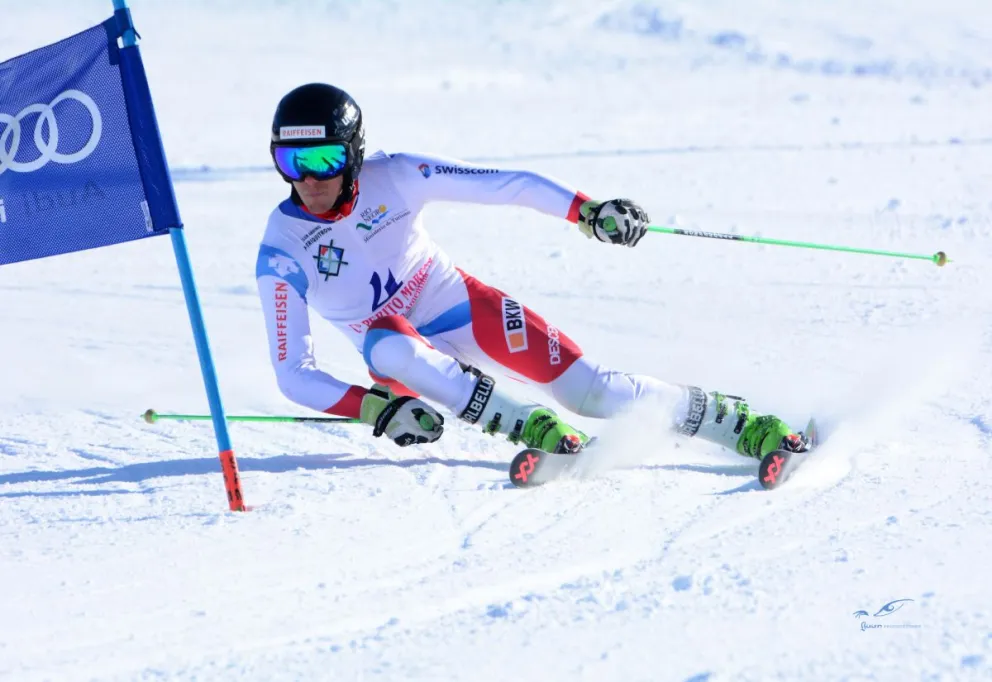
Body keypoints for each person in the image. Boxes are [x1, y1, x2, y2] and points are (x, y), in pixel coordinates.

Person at [255, 82, 808, 461]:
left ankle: (737, 423)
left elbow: (510, 185)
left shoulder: (397, 176)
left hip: (459, 306)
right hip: (401, 366)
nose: (308, 179)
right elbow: (292, 374)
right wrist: (375, 407)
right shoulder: (283, 248)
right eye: (290, 163)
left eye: (324, 159)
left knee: (593, 393)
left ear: (353, 154)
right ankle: (526, 424)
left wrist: (587, 211)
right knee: (387, 344)